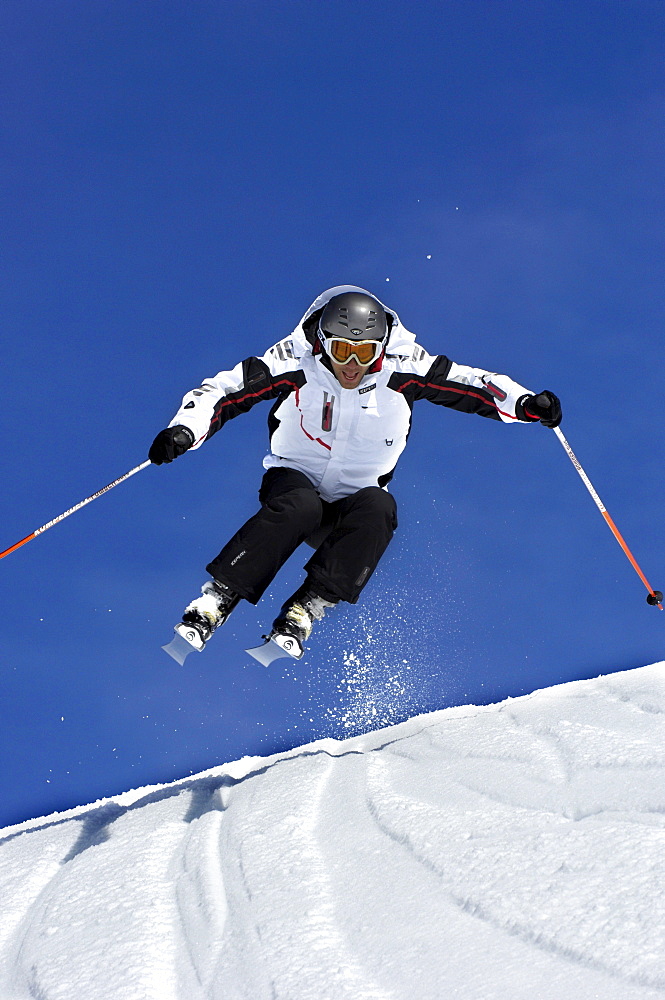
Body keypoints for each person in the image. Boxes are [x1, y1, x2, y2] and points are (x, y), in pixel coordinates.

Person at [150, 285, 561, 659]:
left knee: (380, 507)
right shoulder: (295, 359)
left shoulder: (405, 368)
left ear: (380, 348)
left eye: (364, 354)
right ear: (323, 343)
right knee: (299, 506)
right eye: (342, 350)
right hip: (295, 478)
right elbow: (224, 391)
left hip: (354, 500)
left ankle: (310, 603)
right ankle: (220, 596)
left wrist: (525, 404)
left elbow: (473, 383)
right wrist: (185, 431)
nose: (351, 364)